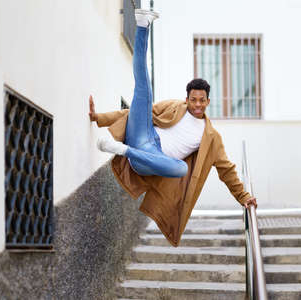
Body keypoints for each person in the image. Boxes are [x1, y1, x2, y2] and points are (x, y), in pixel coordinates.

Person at [89, 9, 257, 247]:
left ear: (208, 101)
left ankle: (121, 150)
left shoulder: (211, 137)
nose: (197, 104)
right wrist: (99, 117)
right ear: (187, 98)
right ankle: (143, 24)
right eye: (193, 99)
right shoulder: (174, 107)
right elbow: (133, 114)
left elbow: (226, 170)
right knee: (143, 88)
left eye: (202, 100)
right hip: (143, 135)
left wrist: (244, 197)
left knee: (179, 169)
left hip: (151, 160)